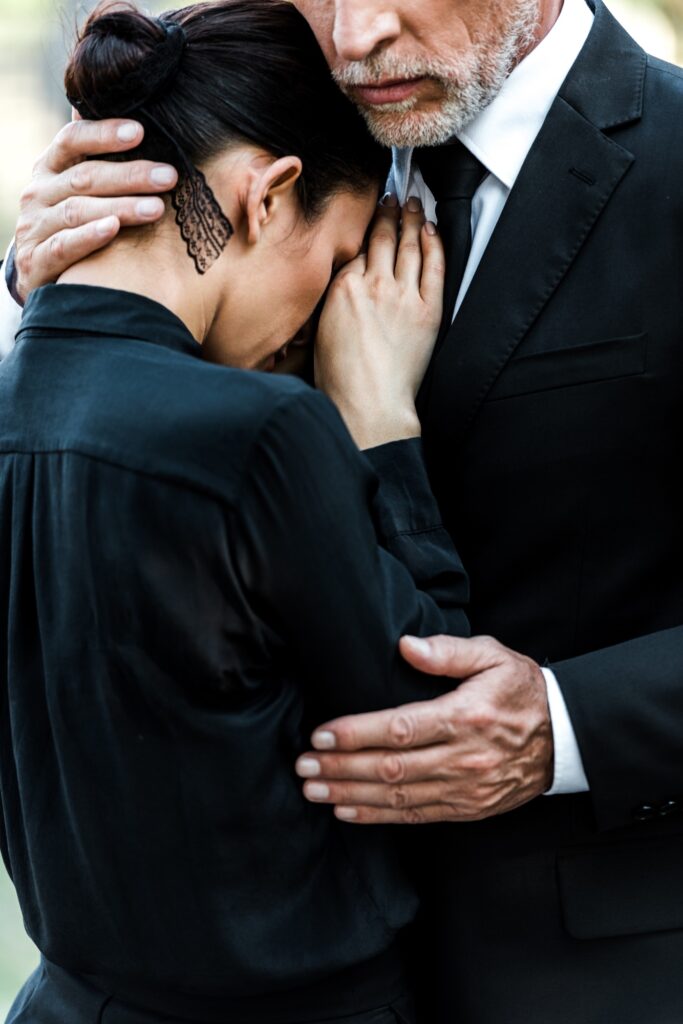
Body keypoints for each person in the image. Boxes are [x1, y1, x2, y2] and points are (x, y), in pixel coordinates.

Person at [3, 0, 683, 1020]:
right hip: (248, 971)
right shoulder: (238, 104)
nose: (354, 34)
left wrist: (567, 724)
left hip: (594, 972)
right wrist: (53, 281)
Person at [0, 2, 472, 1023]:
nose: (323, 318)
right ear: (270, 194)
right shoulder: (259, 432)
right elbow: (429, 721)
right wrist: (380, 423)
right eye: (338, 259)